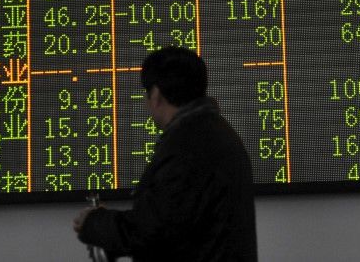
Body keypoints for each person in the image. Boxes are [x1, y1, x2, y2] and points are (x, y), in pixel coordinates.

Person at [74, 46, 258, 261]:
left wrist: (94, 223)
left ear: (156, 94)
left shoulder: (187, 146)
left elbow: (154, 230)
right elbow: (181, 225)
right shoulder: (216, 133)